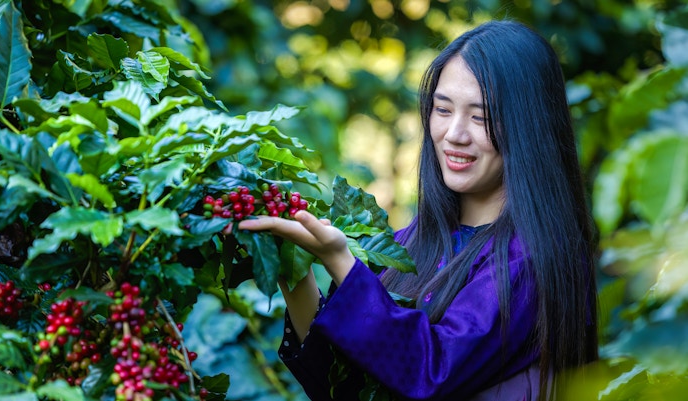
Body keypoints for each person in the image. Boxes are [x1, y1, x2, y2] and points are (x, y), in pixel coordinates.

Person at [236, 19, 598, 400]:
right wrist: (291, 264)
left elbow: (430, 370)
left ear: (529, 126)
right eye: (443, 110)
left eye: (481, 116)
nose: (454, 134)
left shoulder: (533, 260)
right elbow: (342, 388)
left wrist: (340, 260)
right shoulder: (408, 244)